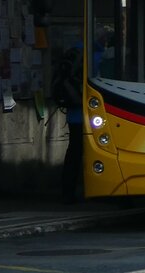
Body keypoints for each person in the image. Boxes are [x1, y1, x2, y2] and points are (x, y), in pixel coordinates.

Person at [54, 43, 84, 203]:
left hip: (74, 113)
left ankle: (68, 190)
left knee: (74, 151)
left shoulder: (75, 49)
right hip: (91, 114)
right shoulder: (97, 52)